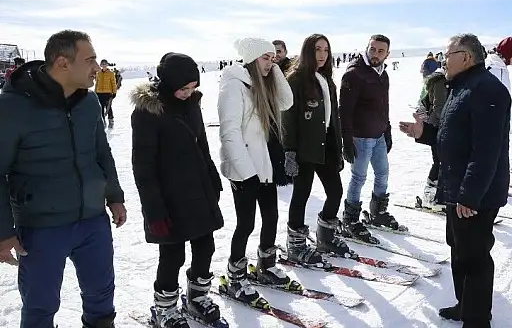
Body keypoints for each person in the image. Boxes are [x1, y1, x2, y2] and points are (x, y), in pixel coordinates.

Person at [0, 30, 126, 328]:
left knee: (101, 296)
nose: (97, 68)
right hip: (42, 228)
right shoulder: (12, 107)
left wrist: (115, 195)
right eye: (90, 60)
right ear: (63, 63)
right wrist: (4, 231)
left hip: (93, 220)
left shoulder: (89, 102)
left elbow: (101, 152)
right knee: (41, 306)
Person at [400, 33, 511, 328]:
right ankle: (466, 305)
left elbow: (487, 150)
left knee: (474, 255)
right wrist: (422, 134)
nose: (442, 60)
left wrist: (469, 195)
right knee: (459, 247)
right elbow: (451, 138)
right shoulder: (460, 87)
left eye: (447, 54)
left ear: (467, 57)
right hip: (456, 186)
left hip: (476, 192)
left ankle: (477, 320)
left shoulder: (488, 90)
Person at [131, 53, 224, 328]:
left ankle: (197, 298)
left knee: (205, 246)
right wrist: (154, 210)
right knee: (173, 255)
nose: (188, 92)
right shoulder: (148, 113)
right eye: (183, 88)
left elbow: (202, 144)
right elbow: (143, 166)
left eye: (193, 87)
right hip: (167, 197)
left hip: (197, 190)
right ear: (170, 83)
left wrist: (212, 176)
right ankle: (165, 308)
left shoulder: (192, 105)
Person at [217, 37, 296, 306]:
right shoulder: (233, 87)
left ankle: (266, 265)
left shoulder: (264, 85)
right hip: (244, 169)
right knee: (246, 224)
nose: (271, 62)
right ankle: (235, 276)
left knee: (271, 217)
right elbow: (230, 134)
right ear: (251, 58)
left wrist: (273, 68)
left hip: (264, 165)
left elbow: (287, 102)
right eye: (265, 57)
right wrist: (246, 172)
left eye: (273, 58)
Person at [283, 34, 354, 266]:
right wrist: (290, 152)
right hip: (304, 149)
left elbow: (335, 117)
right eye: (317, 50)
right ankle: (295, 245)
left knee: (335, 191)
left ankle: (325, 236)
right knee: (301, 195)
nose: (322, 54)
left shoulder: (326, 79)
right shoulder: (295, 79)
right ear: (307, 52)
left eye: (325, 50)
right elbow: (288, 118)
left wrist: (340, 146)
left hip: (327, 147)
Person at [339, 34, 399, 244]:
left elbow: (385, 105)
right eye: (372, 49)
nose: (375, 54)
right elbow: (344, 111)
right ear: (367, 48)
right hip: (360, 137)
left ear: (387, 54)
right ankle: (351, 219)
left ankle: (378, 213)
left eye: (381, 51)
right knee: (359, 177)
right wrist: (346, 140)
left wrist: (388, 129)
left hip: (379, 135)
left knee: (383, 174)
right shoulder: (354, 74)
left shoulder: (383, 74)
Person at [417, 64, 447, 210]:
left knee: (441, 161)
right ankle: (430, 195)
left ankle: (437, 195)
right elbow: (439, 108)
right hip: (437, 128)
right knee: (439, 161)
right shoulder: (440, 81)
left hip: (438, 126)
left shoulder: (443, 80)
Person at [95, 59, 117, 127]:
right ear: (101, 65)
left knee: (108, 107)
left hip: (108, 93)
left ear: (107, 65)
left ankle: (111, 120)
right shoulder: (98, 73)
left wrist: (114, 92)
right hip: (99, 93)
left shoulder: (111, 73)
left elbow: (113, 83)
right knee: (100, 108)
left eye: (105, 64)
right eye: (102, 64)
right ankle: (103, 121)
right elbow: (97, 83)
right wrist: (95, 91)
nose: (104, 65)